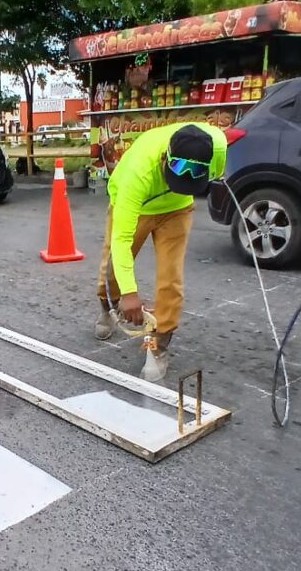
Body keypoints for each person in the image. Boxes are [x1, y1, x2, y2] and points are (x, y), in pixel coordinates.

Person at [94, 122, 227, 382]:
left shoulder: (218, 146)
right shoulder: (138, 174)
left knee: (171, 275)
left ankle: (159, 345)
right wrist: (130, 293)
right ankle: (106, 306)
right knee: (114, 267)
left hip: (177, 211)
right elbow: (121, 239)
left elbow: (215, 172)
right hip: (138, 204)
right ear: (166, 158)